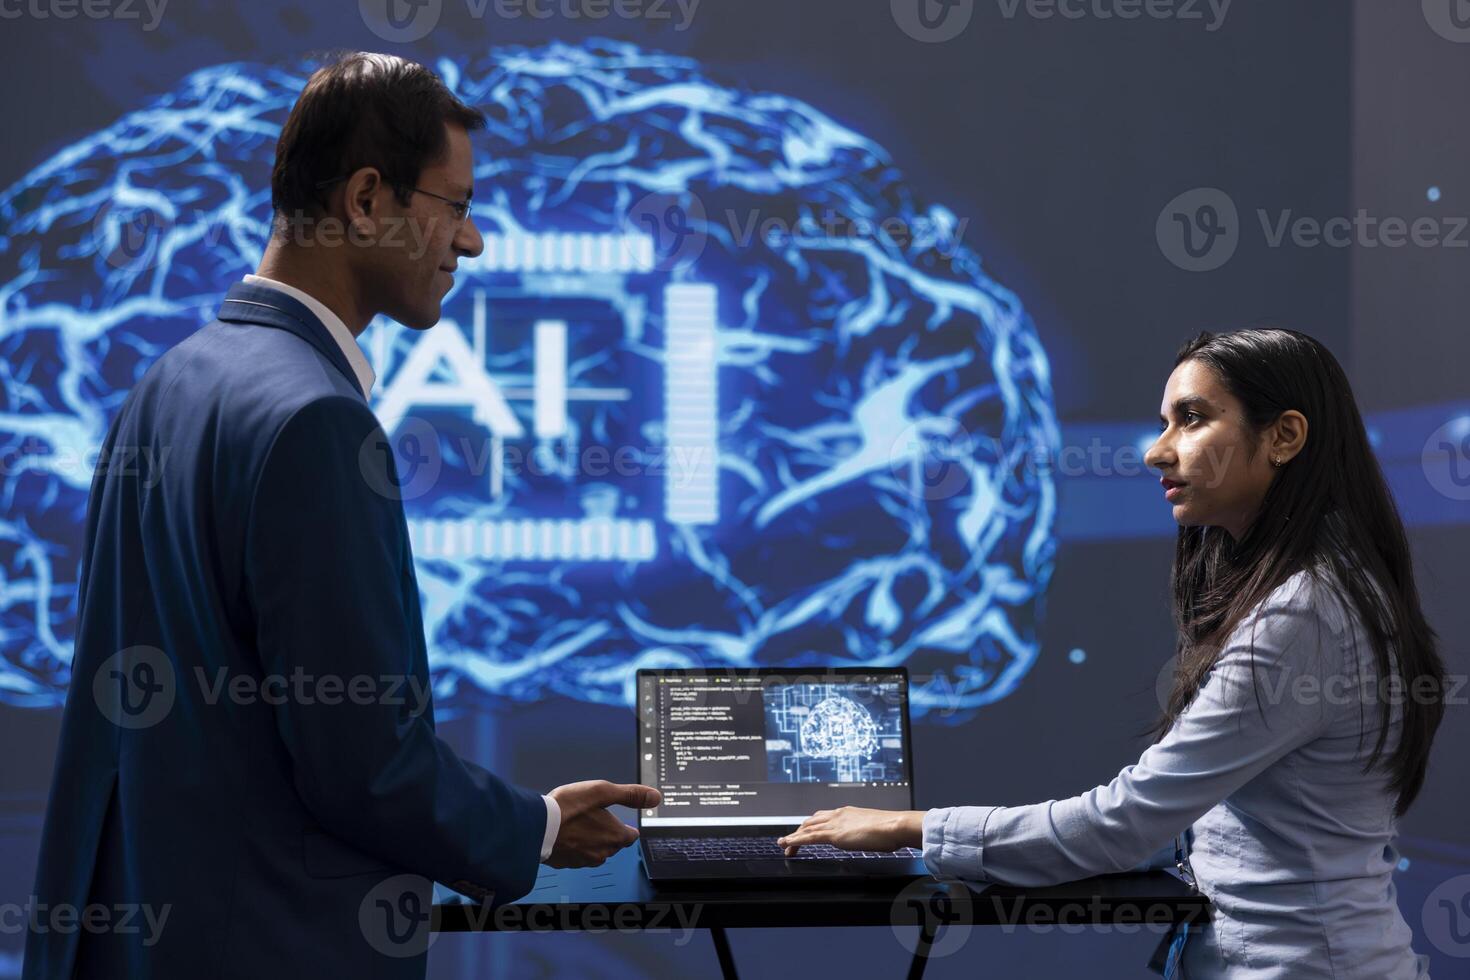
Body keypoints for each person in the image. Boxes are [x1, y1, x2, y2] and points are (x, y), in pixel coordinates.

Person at [23, 52, 659, 980]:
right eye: (456, 205)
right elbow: (363, 767)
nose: (473, 241)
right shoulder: (317, 421)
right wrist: (538, 826)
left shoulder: (167, 384)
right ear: (365, 200)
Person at [778, 328, 1444, 978]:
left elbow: (1124, 823)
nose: (1157, 452)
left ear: (1285, 436)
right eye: (1163, 423)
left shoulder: (1303, 616)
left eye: (1192, 419)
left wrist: (911, 827)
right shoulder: (1323, 593)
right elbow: (1177, 827)